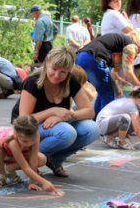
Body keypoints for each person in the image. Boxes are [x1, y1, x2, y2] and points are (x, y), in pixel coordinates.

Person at [12, 47, 100, 177]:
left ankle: (54, 160)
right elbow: (23, 119)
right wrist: (53, 111)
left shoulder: (70, 80)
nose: (57, 75)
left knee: (92, 129)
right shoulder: (33, 82)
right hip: (28, 127)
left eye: (63, 72)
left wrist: (65, 116)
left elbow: (89, 111)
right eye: (54, 69)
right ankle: (25, 159)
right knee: (66, 132)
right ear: (47, 63)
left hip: (56, 124)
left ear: (69, 71)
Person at [75, 29, 140, 117]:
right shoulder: (132, 46)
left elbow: (113, 72)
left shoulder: (121, 43)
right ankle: (103, 122)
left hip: (80, 57)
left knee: (103, 93)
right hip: (94, 58)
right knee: (107, 95)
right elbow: (128, 71)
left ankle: (96, 121)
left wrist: (117, 84)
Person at [0, 115, 60, 195]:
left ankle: (10, 169)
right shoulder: (13, 141)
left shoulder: (36, 135)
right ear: (16, 135)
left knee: (42, 159)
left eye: (32, 140)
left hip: (21, 156)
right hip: (6, 156)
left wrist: (32, 181)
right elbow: (24, 166)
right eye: (25, 141)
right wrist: (44, 182)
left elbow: (34, 159)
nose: (29, 144)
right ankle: (2, 176)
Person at [125, 0, 140, 87]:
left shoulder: (127, 16)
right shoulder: (137, 17)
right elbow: (139, 34)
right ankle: (129, 100)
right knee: (133, 84)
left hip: (128, 50)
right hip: (136, 52)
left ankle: (139, 100)